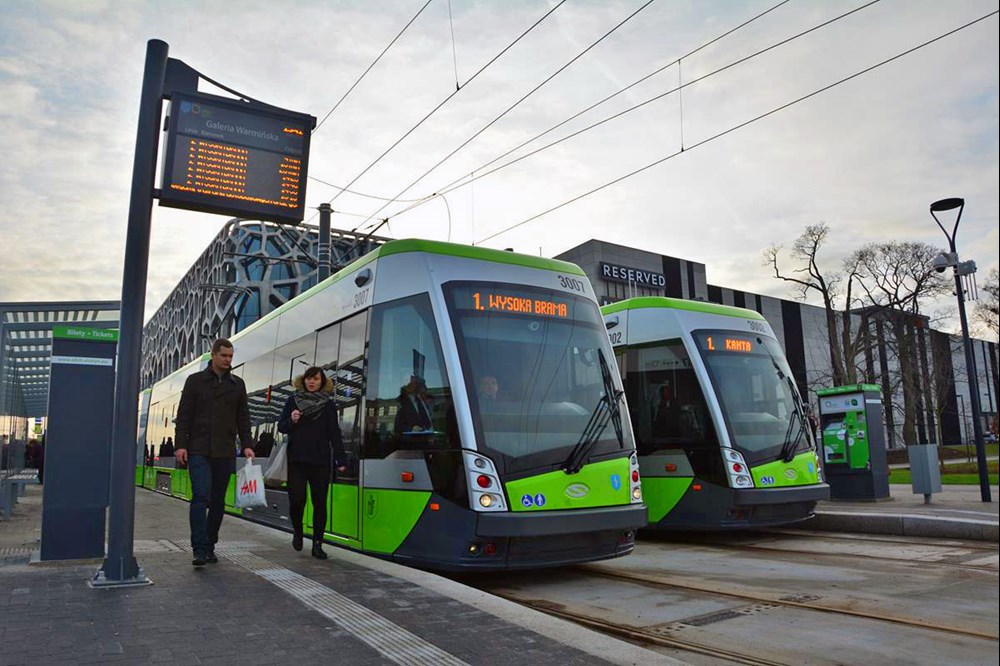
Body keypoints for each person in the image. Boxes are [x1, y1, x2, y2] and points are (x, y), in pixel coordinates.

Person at [174, 338, 254, 567]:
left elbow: (243, 417)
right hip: (198, 448)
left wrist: (247, 444)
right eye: (224, 356)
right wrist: (181, 445)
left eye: (231, 356)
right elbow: (184, 416)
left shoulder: (237, 384)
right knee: (201, 496)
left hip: (224, 450)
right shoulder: (195, 381)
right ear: (213, 355)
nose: (228, 360)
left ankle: (210, 546)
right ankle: (199, 549)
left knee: (218, 500)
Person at [277, 366, 347, 560]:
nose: (311, 382)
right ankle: (298, 531)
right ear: (304, 380)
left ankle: (318, 544)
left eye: (316, 379)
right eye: (309, 378)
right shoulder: (292, 400)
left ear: (322, 382)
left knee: (320, 503)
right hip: (297, 461)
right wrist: (291, 420)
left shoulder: (328, 405)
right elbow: (281, 427)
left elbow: (334, 433)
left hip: (320, 462)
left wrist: (341, 458)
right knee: (297, 501)